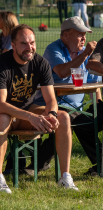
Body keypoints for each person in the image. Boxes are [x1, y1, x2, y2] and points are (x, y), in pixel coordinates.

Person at [0, 24, 78, 194]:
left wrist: (52, 114)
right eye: (24, 43)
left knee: (64, 117)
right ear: (13, 44)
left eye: (32, 43)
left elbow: (51, 99)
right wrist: (31, 117)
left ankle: (65, 177)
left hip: (25, 112)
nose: (29, 47)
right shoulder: (1, 63)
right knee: (3, 117)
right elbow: (0, 104)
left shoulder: (40, 62)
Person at [32, 16, 100, 176]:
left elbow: (94, 83)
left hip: (76, 107)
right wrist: (84, 55)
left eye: (85, 34)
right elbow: (62, 72)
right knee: (68, 119)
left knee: (88, 121)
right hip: (50, 103)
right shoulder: (53, 49)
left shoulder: (85, 52)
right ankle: (38, 164)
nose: (84, 38)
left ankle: (100, 164)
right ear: (65, 35)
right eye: (79, 34)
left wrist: (98, 104)